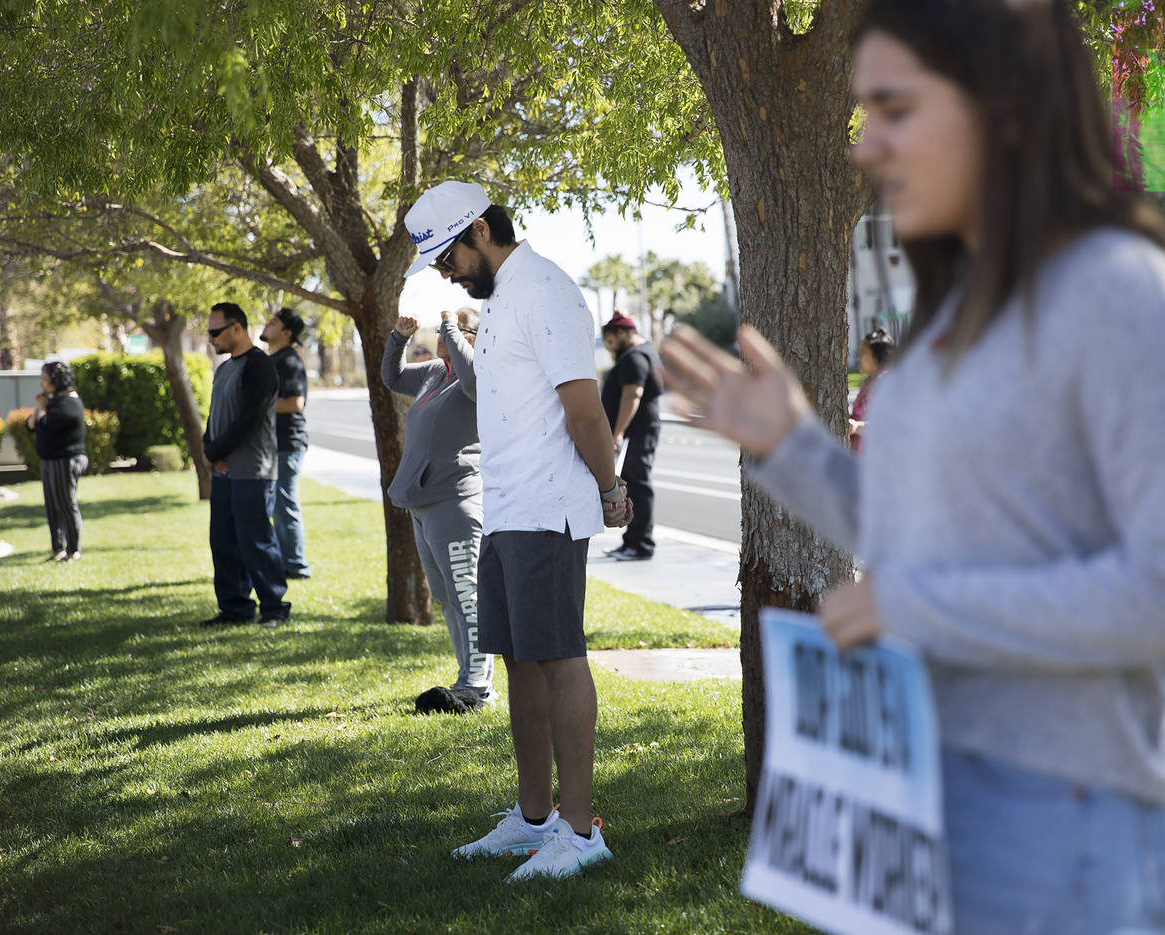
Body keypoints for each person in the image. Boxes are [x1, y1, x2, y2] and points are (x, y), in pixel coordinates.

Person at [661, 1, 1165, 931]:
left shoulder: (1115, 289)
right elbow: (923, 536)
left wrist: (918, 607)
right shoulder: (955, 314)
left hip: (1065, 827)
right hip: (931, 799)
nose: (865, 145)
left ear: (1002, 106)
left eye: (895, 108)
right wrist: (792, 446)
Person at [404, 179, 631, 882]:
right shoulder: (498, 300)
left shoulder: (547, 290)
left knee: (560, 657)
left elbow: (584, 412)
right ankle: (533, 820)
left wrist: (611, 486)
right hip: (505, 511)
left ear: (480, 230)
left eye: (447, 256)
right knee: (519, 663)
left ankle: (580, 830)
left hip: (548, 509)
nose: (444, 271)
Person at [382, 305, 494, 709]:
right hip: (424, 503)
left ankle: (478, 684)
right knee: (447, 597)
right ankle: (469, 676)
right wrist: (399, 339)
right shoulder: (434, 372)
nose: (443, 336)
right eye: (442, 329)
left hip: (456, 500)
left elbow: (474, 380)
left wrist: (451, 328)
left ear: (474, 338)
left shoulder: (481, 373)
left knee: (467, 594)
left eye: (456, 330)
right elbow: (391, 377)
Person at [200, 301, 291, 629]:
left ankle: (274, 608)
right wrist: (209, 449)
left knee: (255, 541)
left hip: (253, 471)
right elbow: (215, 417)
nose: (211, 338)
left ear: (237, 328)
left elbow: (250, 420)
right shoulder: (224, 368)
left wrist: (215, 453)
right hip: (224, 470)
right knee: (223, 540)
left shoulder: (260, 366)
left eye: (215, 331)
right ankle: (235, 608)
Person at [600, 311, 664, 560]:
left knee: (638, 485)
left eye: (611, 342)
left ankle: (641, 545)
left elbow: (632, 396)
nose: (610, 348)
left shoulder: (635, 357)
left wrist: (617, 433)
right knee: (632, 483)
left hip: (636, 432)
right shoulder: (645, 352)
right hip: (638, 430)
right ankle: (631, 541)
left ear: (623, 333)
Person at [261, 307, 312, 580]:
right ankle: (285, 561)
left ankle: (296, 566)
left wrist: (257, 406)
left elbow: (295, 402)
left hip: (287, 444)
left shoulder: (289, 360)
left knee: (285, 504)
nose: (267, 324)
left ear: (287, 332)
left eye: (274, 322)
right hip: (273, 445)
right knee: (277, 505)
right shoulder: (275, 358)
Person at [27, 360, 88, 562]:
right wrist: (39, 407)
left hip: (65, 460)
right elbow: (31, 426)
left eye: (45, 379)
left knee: (66, 504)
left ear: (56, 380)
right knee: (52, 506)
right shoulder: (52, 401)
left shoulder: (69, 403)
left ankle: (73, 550)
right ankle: (58, 549)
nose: (42, 384)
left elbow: (46, 425)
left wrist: (42, 409)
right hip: (49, 461)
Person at [848, 327, 895, 453]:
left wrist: (857, 427)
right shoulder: (869, 382)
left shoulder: (884, 384)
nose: (859, 358)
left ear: (876, 356)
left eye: (863, 353)